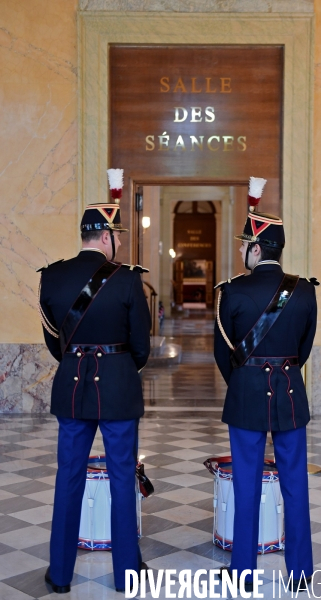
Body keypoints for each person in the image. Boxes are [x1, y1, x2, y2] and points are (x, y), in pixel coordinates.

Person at [38, 169, 151, 594]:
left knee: (69, 476)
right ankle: (125, 574)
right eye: (115, 236)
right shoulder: (126, 279)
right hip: (119, 386)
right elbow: (142, 345)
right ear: (106, 237)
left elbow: (54, 343)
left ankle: (61, 574)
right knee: (122, 478)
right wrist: (121, 366)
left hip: (71, 387)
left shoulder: (51, 276)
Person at [214, 177, 318, 593]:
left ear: (257, 248)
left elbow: (225, 357)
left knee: (246, 484)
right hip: (291, 393)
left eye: (244, 246)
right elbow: (303, 348)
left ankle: (243, 572)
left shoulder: (231, 292)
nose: (241, 252)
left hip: (246, 395)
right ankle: (300, 572)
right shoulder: (306, 292)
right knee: (295, 484)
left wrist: (246, 382)